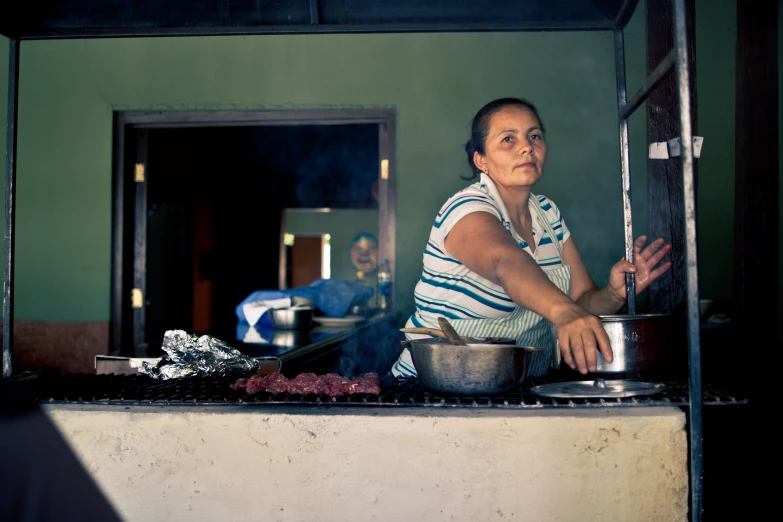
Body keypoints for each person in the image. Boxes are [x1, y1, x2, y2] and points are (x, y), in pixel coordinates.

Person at [392, 98, 671, 377]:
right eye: (508, 139)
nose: (527, 147)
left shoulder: (548, 214)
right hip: (432, 387)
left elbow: (581, 301)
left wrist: (613, 294)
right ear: (481, 160)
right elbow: (505, 262)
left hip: (517, 389)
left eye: (534, 136)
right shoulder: (465, 209)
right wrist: (564, 313)